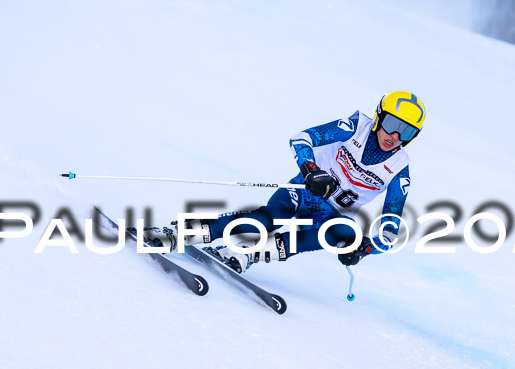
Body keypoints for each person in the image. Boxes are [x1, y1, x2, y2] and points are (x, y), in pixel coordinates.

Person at [163, 90, 426, 273]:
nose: (395, 135)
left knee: (345, 232)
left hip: (331, 214)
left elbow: (390, 231)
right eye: (392, 123)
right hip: (304, 189)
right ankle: (182, 233)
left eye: (407, 131)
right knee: (270, 218)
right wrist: (311, 170)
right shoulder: (355, 127)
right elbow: (301, 138)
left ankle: (248, 253)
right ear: (380, 116)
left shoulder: (398, 168)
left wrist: (367, 248)